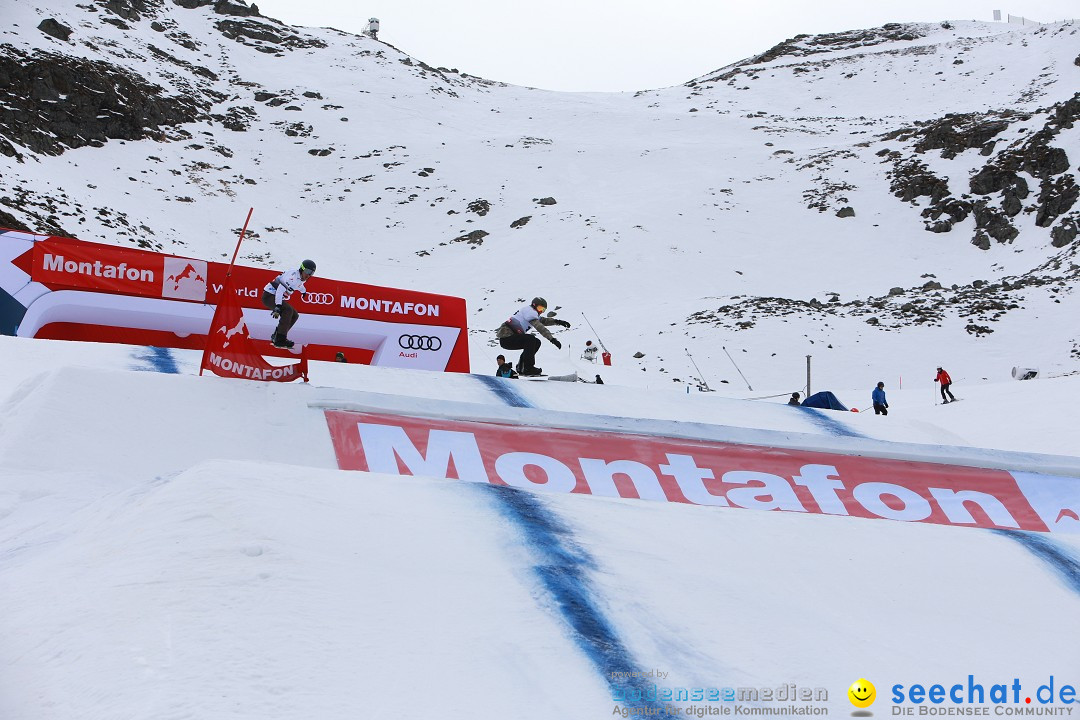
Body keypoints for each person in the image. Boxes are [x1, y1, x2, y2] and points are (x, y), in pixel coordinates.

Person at [496, 296, 569, 376]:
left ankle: (522, 367)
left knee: (536, 342)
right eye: (540, 308)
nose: (540, 311)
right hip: (506, 338)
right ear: (534, 305)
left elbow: (544, 321)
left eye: (543, 310)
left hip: (510, 338)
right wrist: (552, 339)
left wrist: (558, 322)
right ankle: (528, 368)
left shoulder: (530, 312)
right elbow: (540, 327)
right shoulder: (530, 312)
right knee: (530, 339)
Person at [262, 259, 316, 349]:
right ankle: (280, 340)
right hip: (269, 296)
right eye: (307, 271)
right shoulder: (292, 277)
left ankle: (277, 336)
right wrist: (278, 306)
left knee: (295, 315)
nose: (309, 275)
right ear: (302, 268)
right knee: (288, 310)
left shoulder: (300, 278)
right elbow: (279, 290)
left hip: (274, 296)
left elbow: (299, 286)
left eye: (311, 273)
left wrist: (304, 292)